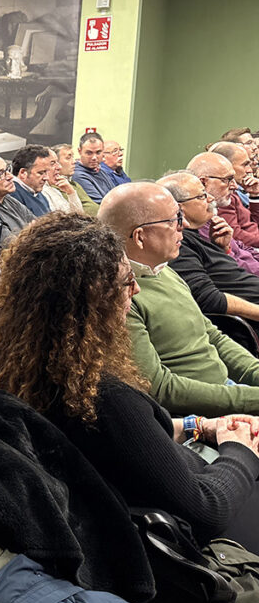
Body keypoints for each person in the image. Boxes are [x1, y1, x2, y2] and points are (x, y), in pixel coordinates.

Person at [0, 210, 259, 553]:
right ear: (91, 297)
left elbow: (135, 440)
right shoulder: (103, 396)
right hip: (183, 543)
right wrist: (241, 449)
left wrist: (199, 425)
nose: (136, 291)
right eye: (126, 282)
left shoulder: (18, 365)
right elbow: (207, 512)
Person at [98, 182, 259, 416]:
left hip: (229, 395)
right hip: (200, 418)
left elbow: (212, 336)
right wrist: (250, 399)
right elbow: (160, 389)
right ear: (140, 237)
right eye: (173, 221)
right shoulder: (121, 296)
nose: (182, 228)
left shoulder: (164, 270)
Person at [159, 172, 259, 325]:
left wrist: (224, 249)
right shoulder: (178, 244)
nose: (210, 198)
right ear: (179, 208)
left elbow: (227, 275)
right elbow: (208, 298)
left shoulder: (204, 233)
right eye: (202, 196)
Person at [187, 150, 259, 276]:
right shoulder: (196, 225)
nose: (235, 186)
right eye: (228, 179)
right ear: (203, 182)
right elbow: (232, 266)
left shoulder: (212, 213)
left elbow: (241, 247)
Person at [52, 143, 98, 215]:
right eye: (68, 158)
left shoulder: (74, 183)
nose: (74, 162)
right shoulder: (56, 187)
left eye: (73, 157)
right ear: (55, 163)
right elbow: (75, 215)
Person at [9, 144, 53, 217]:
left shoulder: (38, 193)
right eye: (41, 173)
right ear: (23, 173)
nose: (46, 178)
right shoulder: (13, 197)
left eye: (46, 172)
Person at [72, 132, 116, 203]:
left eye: (98, 152)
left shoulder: (100, 170)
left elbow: (115, 194)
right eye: (89, 153)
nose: (94, 157)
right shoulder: (78, 175)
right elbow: (100, 205)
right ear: (80, 151)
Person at [41, 146, 85, 214]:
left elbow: (78, 217)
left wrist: (71, 193)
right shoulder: (42, 192)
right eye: (52, 163)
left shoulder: (57, 189)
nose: (59, 167)